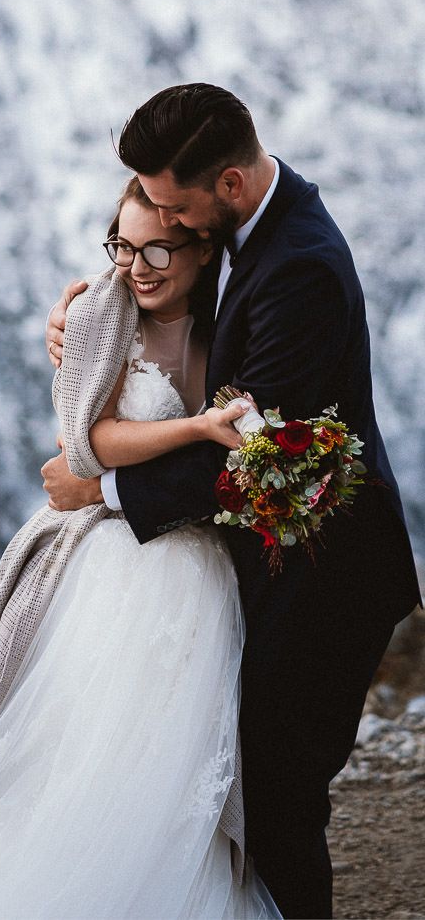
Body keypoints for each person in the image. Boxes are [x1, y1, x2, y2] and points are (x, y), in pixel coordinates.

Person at [43, 84, 419, 918]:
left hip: (326, 574)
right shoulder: (237, 232)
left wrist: (100, 486)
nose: (165, 223)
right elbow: (162, 296)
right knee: (234, 783)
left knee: (280, 796)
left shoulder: (301, 271)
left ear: (232, 187)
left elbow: (257, 462)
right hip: (257, 565)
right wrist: (83, 321)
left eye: (176, 207)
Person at [0, 178, 279, 918]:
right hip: (119, 565)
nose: (138, 265)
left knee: (179, 753)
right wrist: (196, 428)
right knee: (89, 737)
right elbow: (87, 445)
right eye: (123, 244)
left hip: (205, 567)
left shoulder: (231, 317)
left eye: (157, 246)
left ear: (201, 245)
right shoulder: (102, 313)